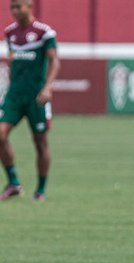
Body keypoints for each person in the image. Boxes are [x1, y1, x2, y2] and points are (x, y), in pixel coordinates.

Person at [0, 0, 59, 202]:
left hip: (37, 97)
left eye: (19, 6)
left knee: (40, 142)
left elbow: (54, 61)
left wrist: (48, 87)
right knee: (0, 134)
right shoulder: (10, 33)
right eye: (12, 7)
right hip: (14, 95)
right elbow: (12, 61)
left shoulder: (44, 32)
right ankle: (14, 183)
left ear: (29, 6)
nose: (15, 11)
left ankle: (41, 190)